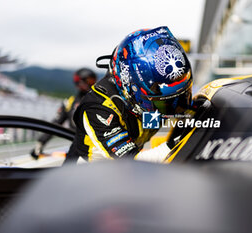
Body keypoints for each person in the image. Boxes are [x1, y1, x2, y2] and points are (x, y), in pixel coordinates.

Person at [64, 26, 193, 164]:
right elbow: (131, 161)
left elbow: (189, 112)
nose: (172, 109)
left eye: (178, 98)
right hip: (85, 173)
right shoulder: (97, 107)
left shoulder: (145, 98)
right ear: (131, 87)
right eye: (162, 103)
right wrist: (179, 144)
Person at [30, 68, 97, 159]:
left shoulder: (102, 100)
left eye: (93, 80)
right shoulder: (69, 103)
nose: (91, 83)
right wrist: (41, 143)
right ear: (79, 82)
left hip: (101, 149)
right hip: (78, 149)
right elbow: (55, 124)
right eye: (89, 80)